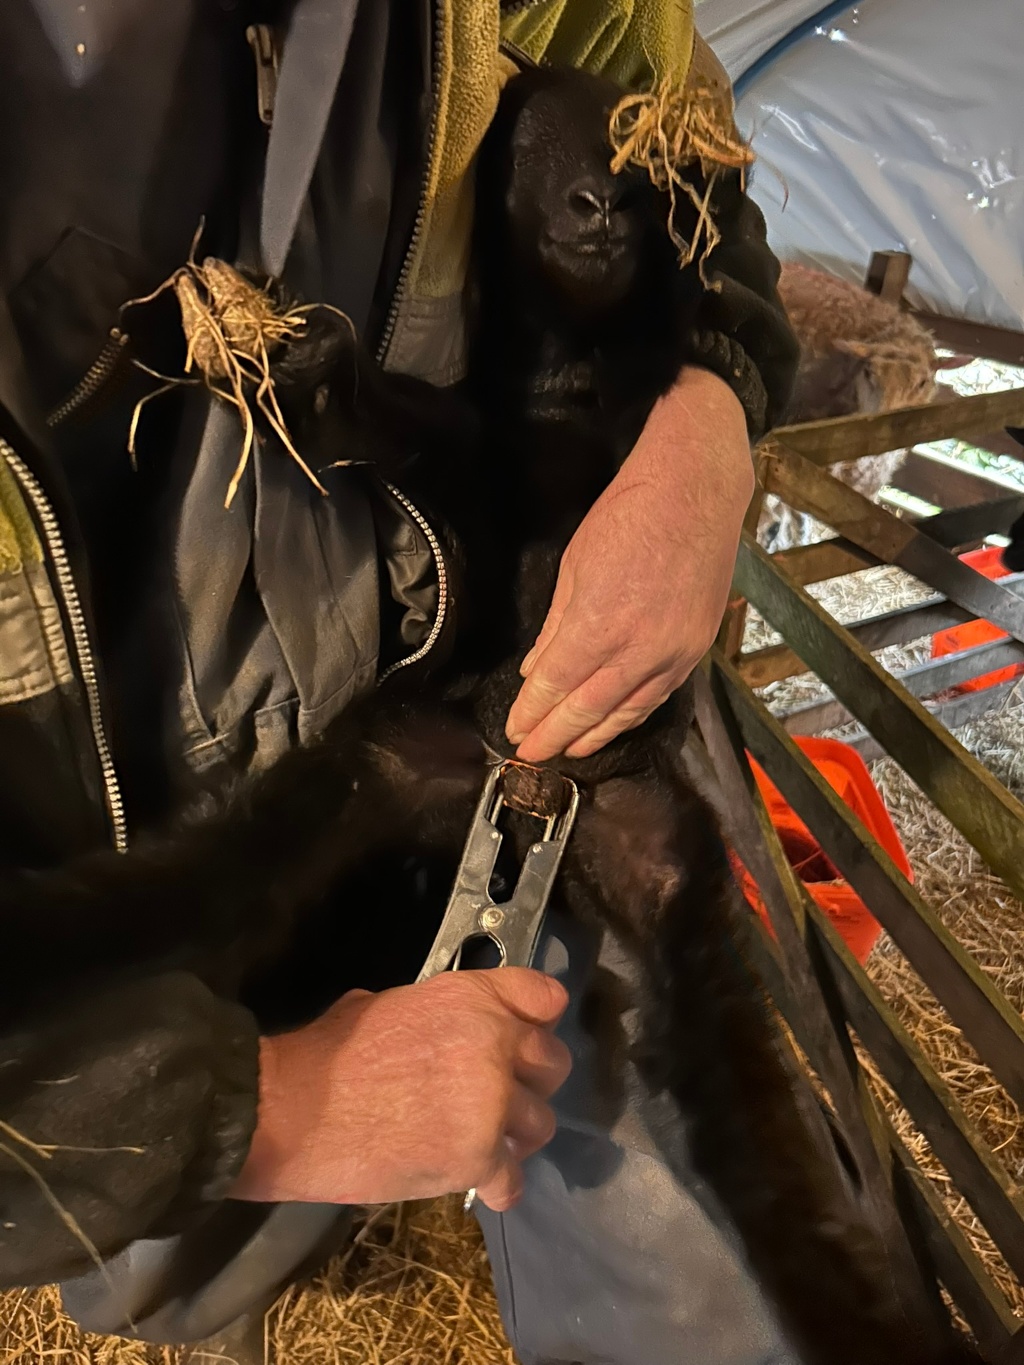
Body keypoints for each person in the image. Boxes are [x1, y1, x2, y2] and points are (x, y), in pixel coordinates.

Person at [0, 2, 801, 1362]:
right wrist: (261, 1112)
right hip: (119, 928)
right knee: (191, 1282)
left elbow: (674, 137)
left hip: (498, 708)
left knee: (719, 1269)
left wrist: (709, 411)